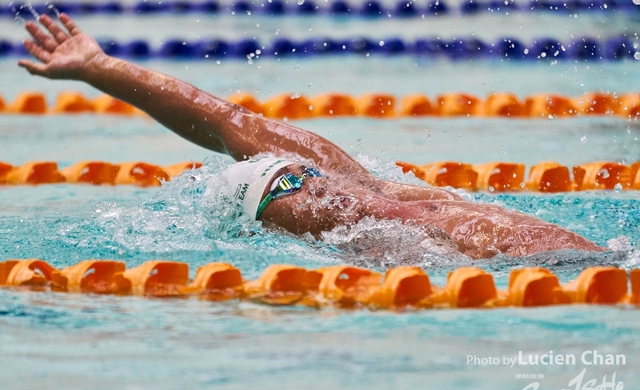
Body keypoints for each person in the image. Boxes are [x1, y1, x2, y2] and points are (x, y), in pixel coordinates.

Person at [18, 14, 603, 259]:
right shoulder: (376, 239)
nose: (313, 187)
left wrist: (102, 69)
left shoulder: (370, 197)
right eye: (292, 189)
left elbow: (230, 124)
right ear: (289, 230)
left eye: (304, 177)